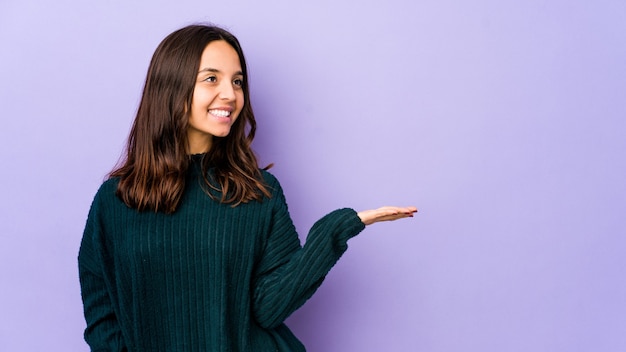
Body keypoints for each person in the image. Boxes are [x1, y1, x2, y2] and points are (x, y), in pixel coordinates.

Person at [78, 24, 417, 352]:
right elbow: (102, 314)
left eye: (237, 81)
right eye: (212, 78)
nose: (231, 94)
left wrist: (332, 233)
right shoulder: (116, 199)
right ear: (171, 86)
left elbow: (268, 308)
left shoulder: (258, 192)